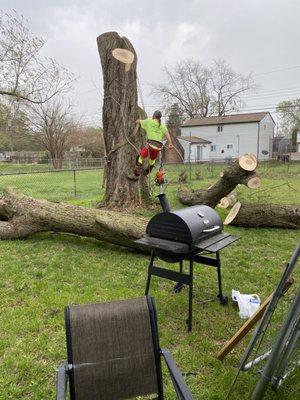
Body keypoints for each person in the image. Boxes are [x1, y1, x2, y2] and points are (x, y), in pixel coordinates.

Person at [134, 110, 173, 177]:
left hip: (150, 145)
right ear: (159, 118)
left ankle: (137, 171)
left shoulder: (149, 121)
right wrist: (170, 143)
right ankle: (148, 171)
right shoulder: (162, 126)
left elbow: (138, 121)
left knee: (140, 157)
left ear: (153, 115)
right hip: (158, 147)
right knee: (152, 160)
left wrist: (136, 121)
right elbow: (167, 134)